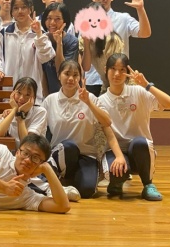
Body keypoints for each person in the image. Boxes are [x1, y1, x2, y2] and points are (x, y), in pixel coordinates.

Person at [42, 60, 125, 199]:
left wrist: (88, 103)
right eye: (67, 74)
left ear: (80, 78)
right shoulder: (50, 100)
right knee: (69, 146)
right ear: (59, 76)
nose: (71, 78)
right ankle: (58, 178)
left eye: (75, 75)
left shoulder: (90, 98)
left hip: (86, 155)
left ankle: (65, 182)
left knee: (87, 191)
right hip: (62, 153)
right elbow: (39, 127)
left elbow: (107, 122)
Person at [99, 53, 170, 201]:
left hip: (140, 151)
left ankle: (148, 184)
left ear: (127, 72)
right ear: (105, 70)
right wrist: (119, 156)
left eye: (122, 70)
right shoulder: (101, 101)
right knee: (116, 172)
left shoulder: (139, 92)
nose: (117, 74)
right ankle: (117, 182)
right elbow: (108, 134)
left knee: (140, 142)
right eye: (113, 69)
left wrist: (147, 85)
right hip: (116, 152)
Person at [82, 0, 152, 95]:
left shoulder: (123, 19)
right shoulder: (86, 24)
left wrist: (140, 9)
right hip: (93, 80)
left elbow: (145, 33)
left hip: (119, 78)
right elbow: (83, 57)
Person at [0, 0, 56, 102]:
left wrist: (38, 33)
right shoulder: (5, 33)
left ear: (30, 9)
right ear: (11, 12)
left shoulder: (39, 33)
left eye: (24, 7)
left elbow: (47, 57)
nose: (20, 11)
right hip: (9, 92)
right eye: (16, 8)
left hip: (34, 93)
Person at [0, 77, 47, 149]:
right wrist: (14, 110)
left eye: (27, 95)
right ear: (13, 93)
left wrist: (20, 116)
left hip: (32, 154)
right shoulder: (8, 113)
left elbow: (28, 144)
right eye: (19, 93)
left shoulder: (40, 112)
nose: (21, 98)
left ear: (34, 98)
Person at [40, 2, 79, 95]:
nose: (52, 23)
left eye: (57, 19)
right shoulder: (42, 40)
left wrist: (59, 43)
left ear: (65, 21)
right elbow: (43, 72)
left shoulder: (72, 41)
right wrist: (46, 97)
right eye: (49, 18)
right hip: (50, 94)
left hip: (69, 93)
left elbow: (61, 69)